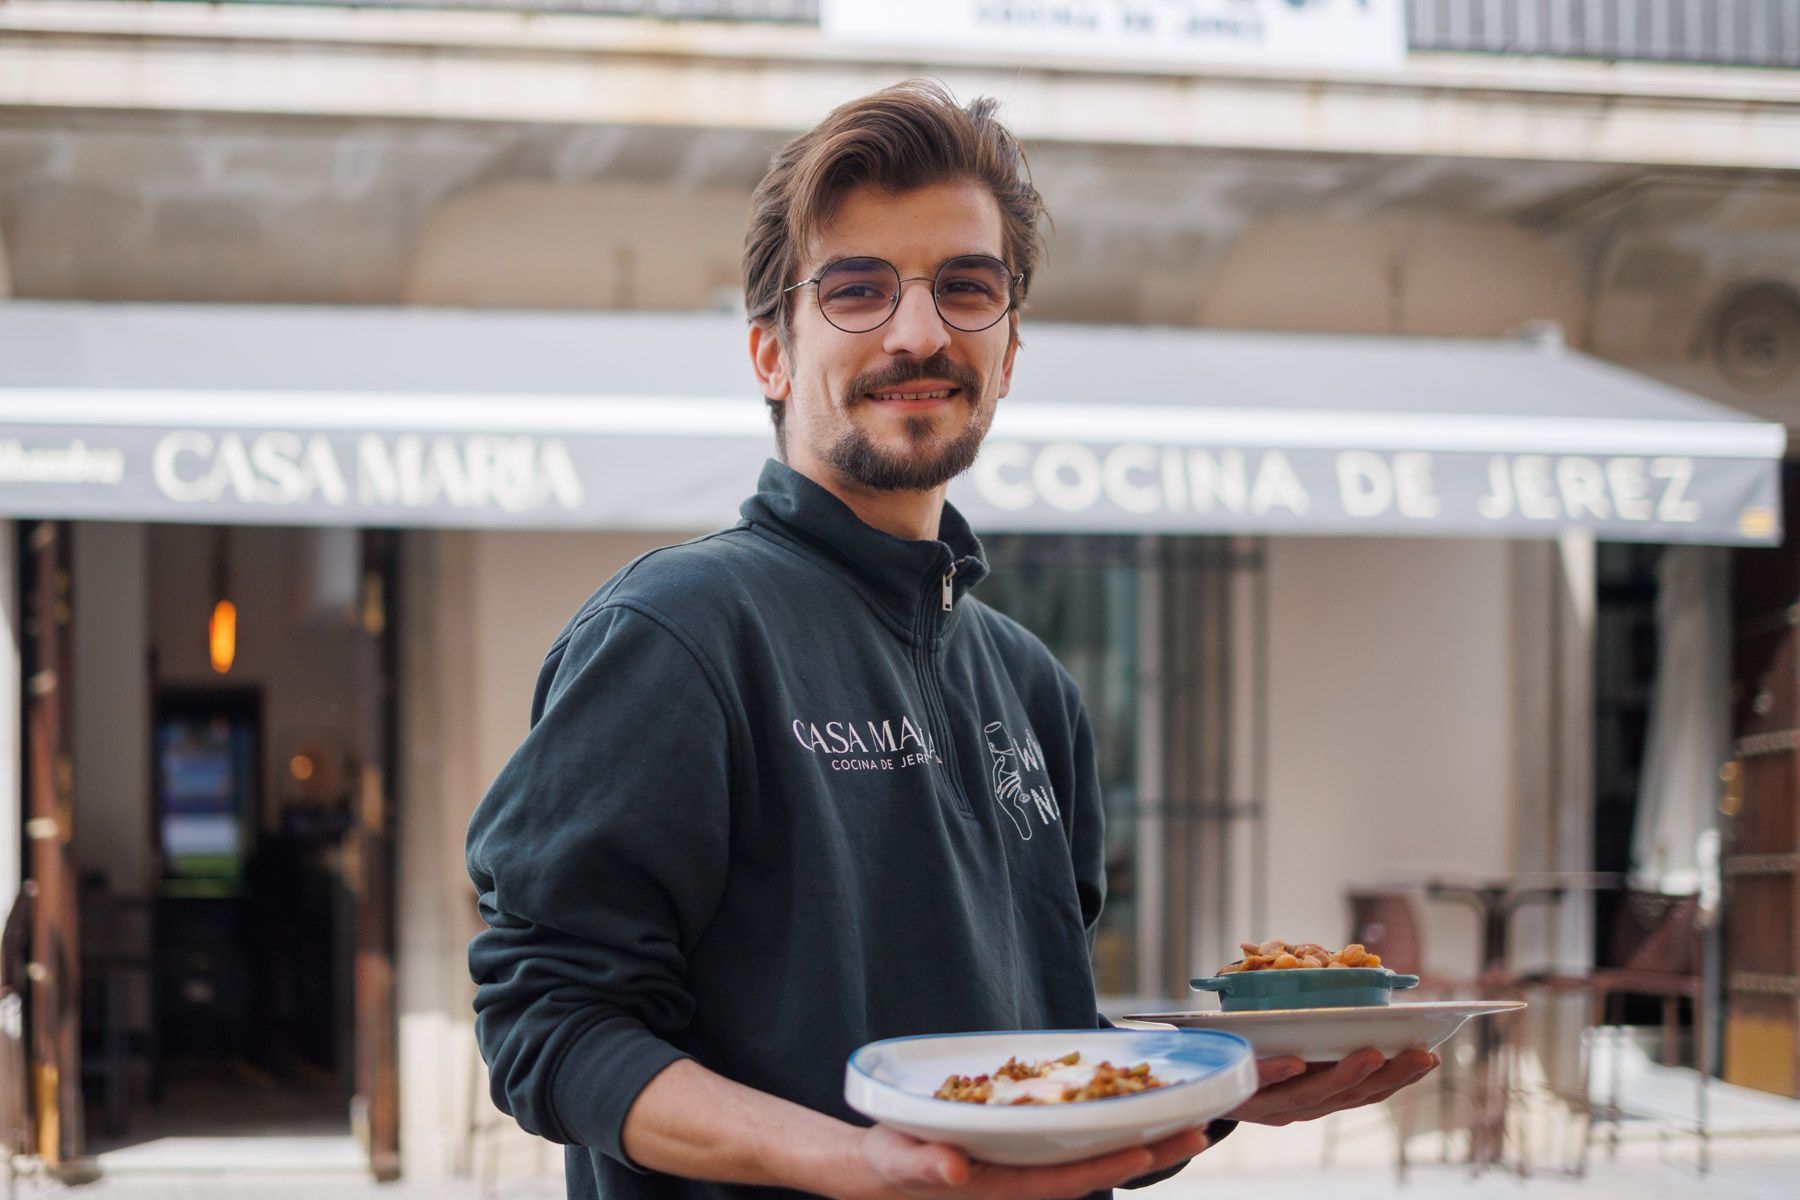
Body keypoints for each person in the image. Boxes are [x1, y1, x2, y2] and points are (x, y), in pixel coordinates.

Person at [466, 80, 1437, 1200]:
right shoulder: (676, 634)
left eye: (965, 289)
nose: (918, 332)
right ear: (771, 354)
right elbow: (552, 1022)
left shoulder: (1034, 689)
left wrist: (1221, 1082)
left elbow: (1040, 1052)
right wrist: (855, 1162)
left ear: (1010, 351)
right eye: (857, 290)